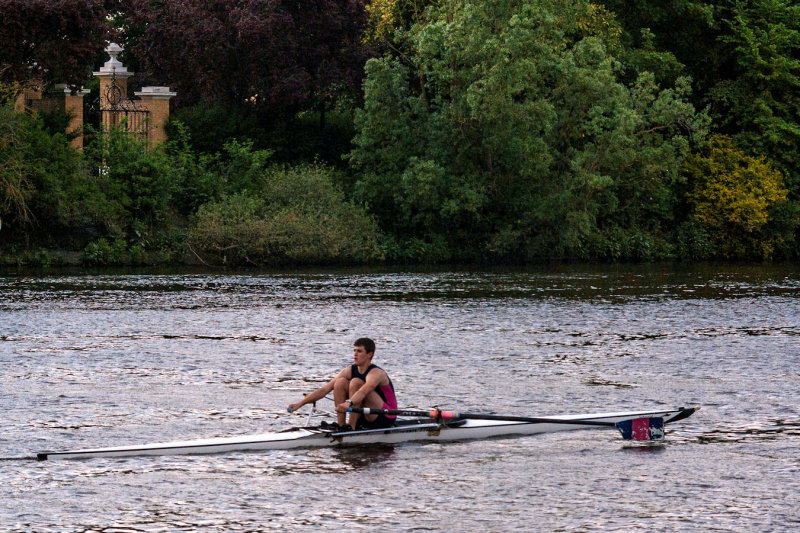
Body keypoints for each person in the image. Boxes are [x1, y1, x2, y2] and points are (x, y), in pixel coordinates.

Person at [287, 337, 397, 431]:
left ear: (369, 354)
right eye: (354, 350)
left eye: (359, 351)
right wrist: (300, 404)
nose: (355, 354)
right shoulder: (350, 370)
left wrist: (348, 403)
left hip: (385, 416)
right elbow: (325, 389)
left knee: (356, 382)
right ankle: (342, 426)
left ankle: (351, 427)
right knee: (340, 382)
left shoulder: (376, 373)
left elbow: (364, 391)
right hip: (364, 413)